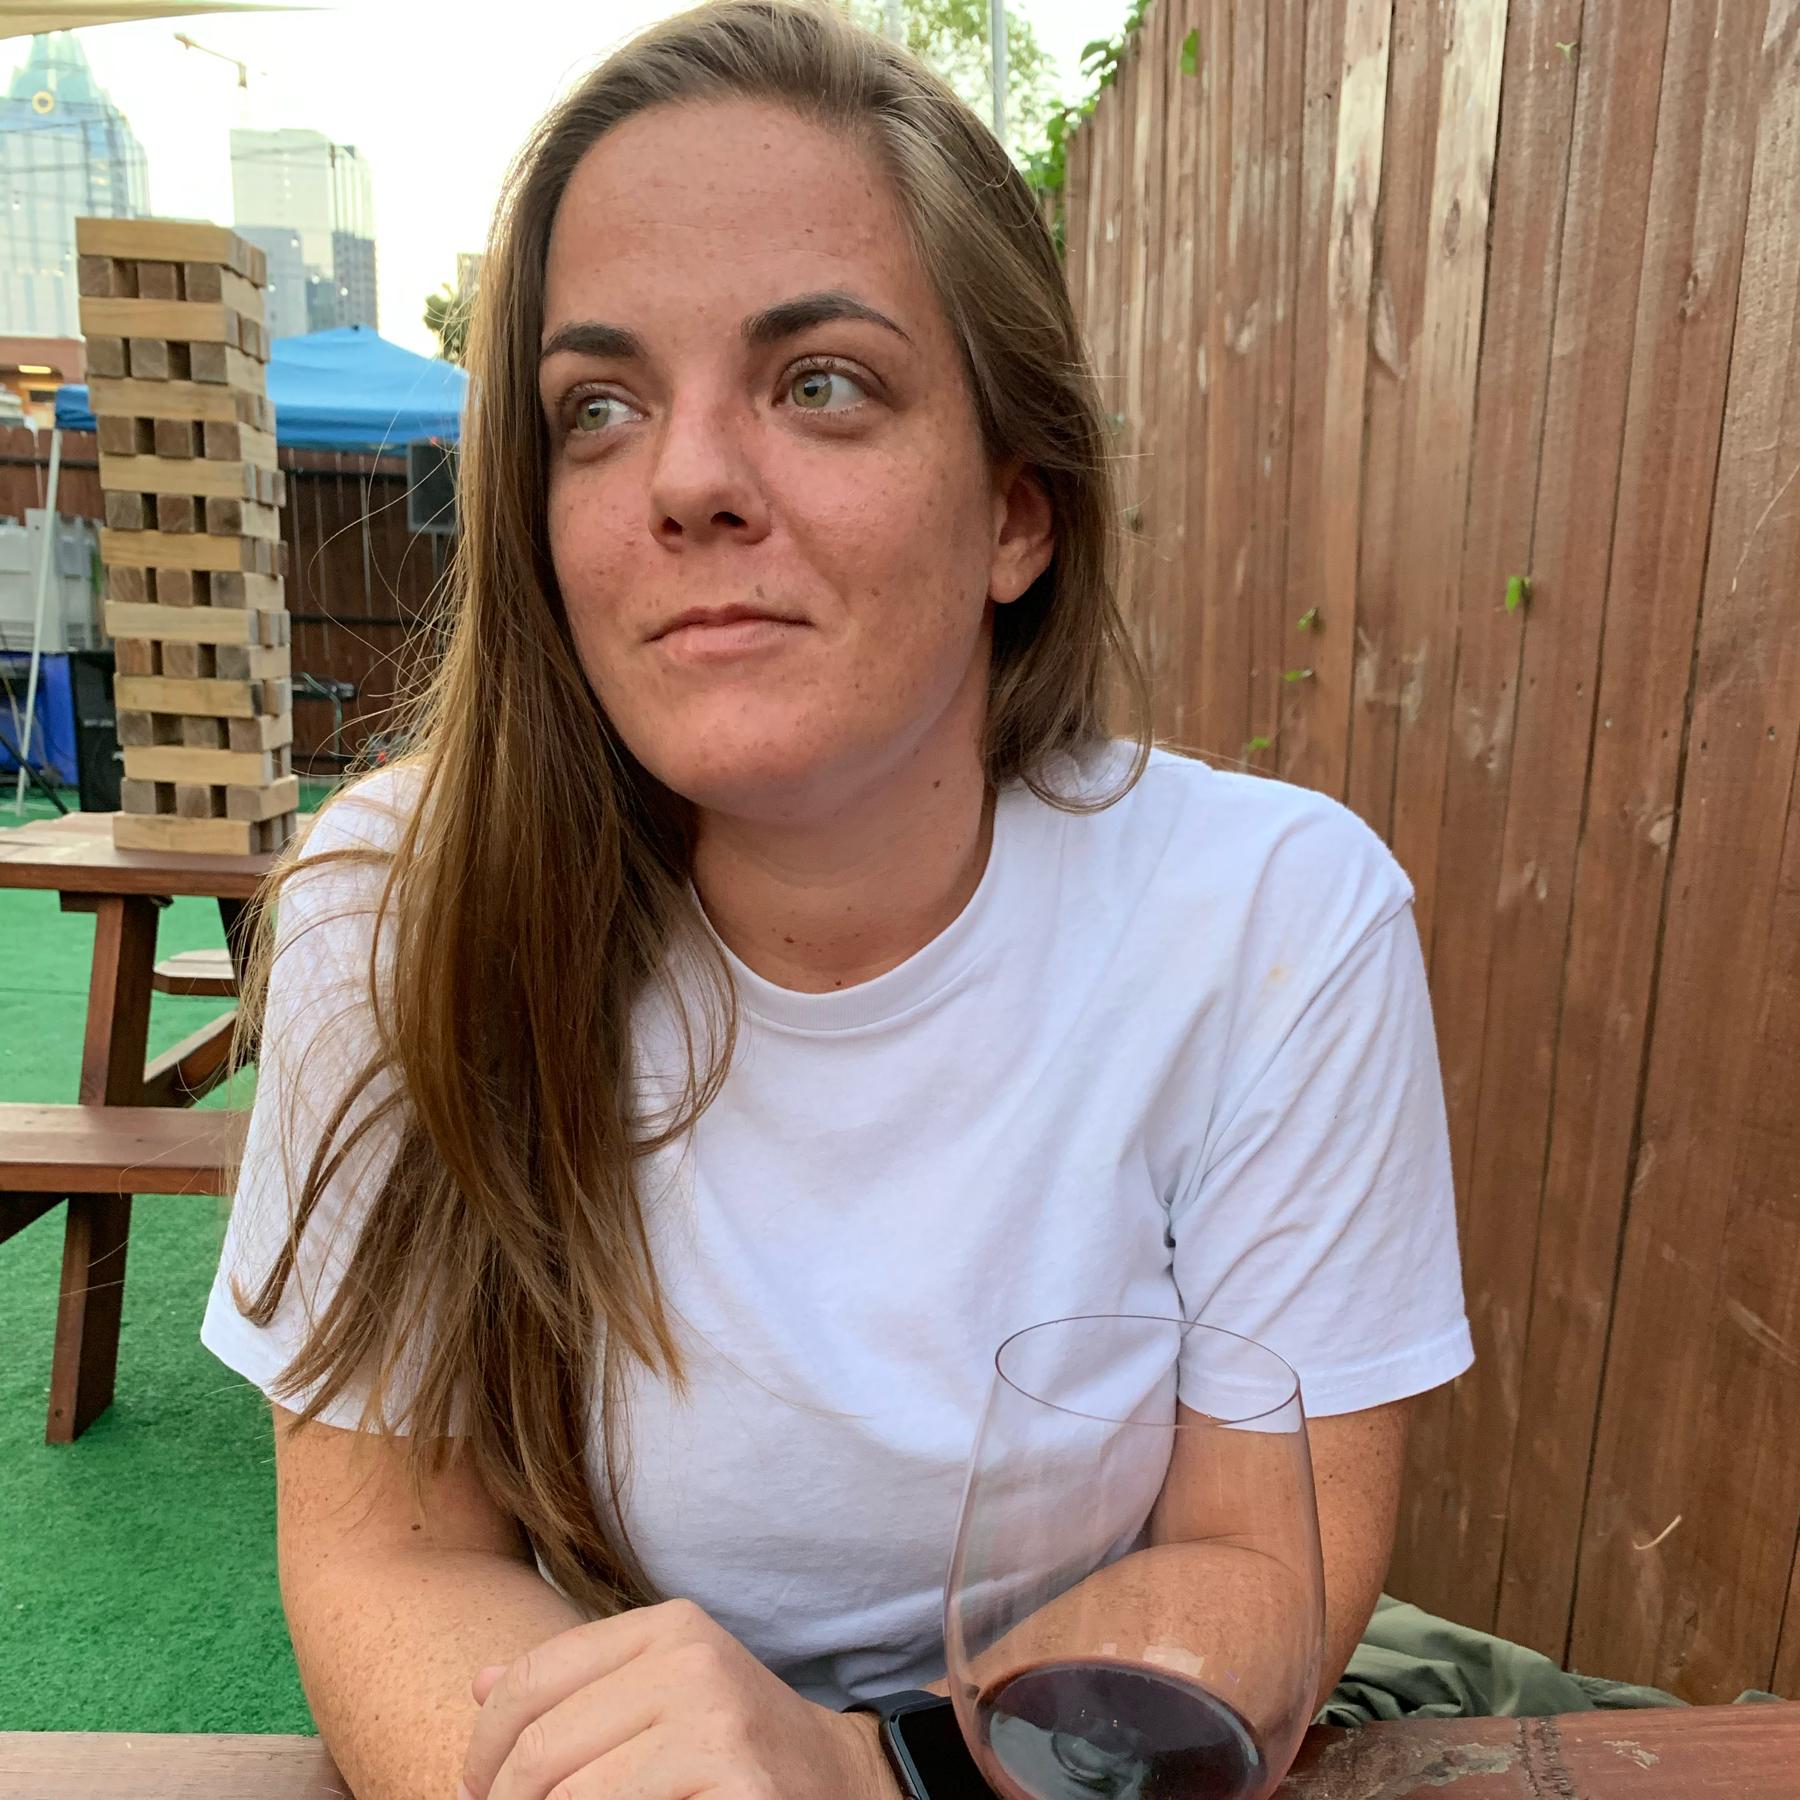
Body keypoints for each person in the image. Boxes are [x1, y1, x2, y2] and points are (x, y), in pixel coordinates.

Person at [201, 4, 1473, 1796]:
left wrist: (868, 1774)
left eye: (820, 384)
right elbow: (390, 1557)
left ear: (1018, 512)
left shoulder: (1275, 922)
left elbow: (1259, 1564)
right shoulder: (397, 915)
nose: (688, 481)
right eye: (598, 409)